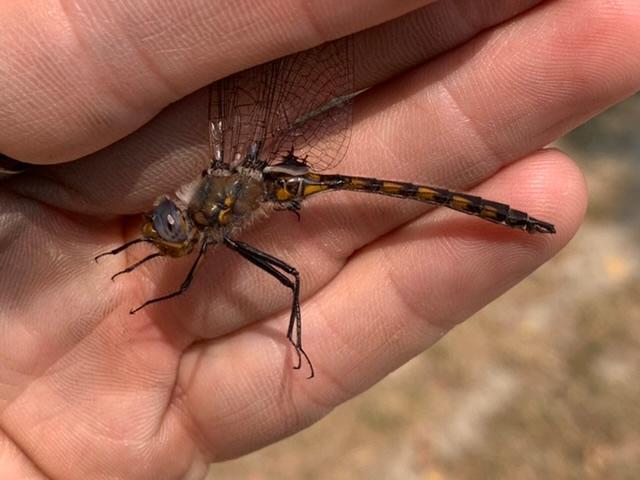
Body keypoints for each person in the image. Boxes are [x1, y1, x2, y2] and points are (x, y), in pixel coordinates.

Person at [0, 1, 637, 477]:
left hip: (284, 180)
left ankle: (501, 216)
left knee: (294, 274)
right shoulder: (204, 201)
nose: (162, 223)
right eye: (164, 225)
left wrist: (157, 294)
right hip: (268, 177)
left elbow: (190, 272)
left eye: (166, 225)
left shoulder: (209, 222)